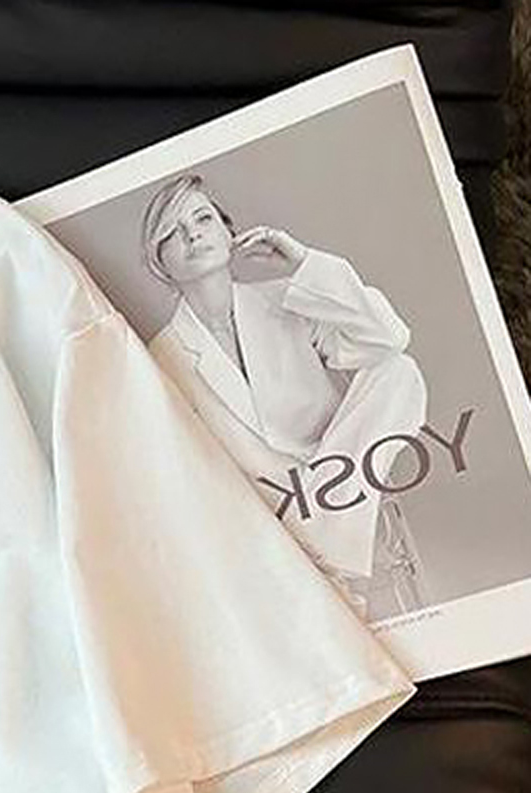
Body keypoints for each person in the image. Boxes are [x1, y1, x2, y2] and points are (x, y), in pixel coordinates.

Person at [139, 173, 429, 620]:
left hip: (335, 479)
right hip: (265, 512)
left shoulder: (286, 300)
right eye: (172, 232)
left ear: (229, 232)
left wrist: (304, 263)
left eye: (202, 218)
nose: (193, 234)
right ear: (160, 263)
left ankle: (328, 548)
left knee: (399, 370)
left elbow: (387, 338)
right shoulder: (161, 357)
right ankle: (330, 546)